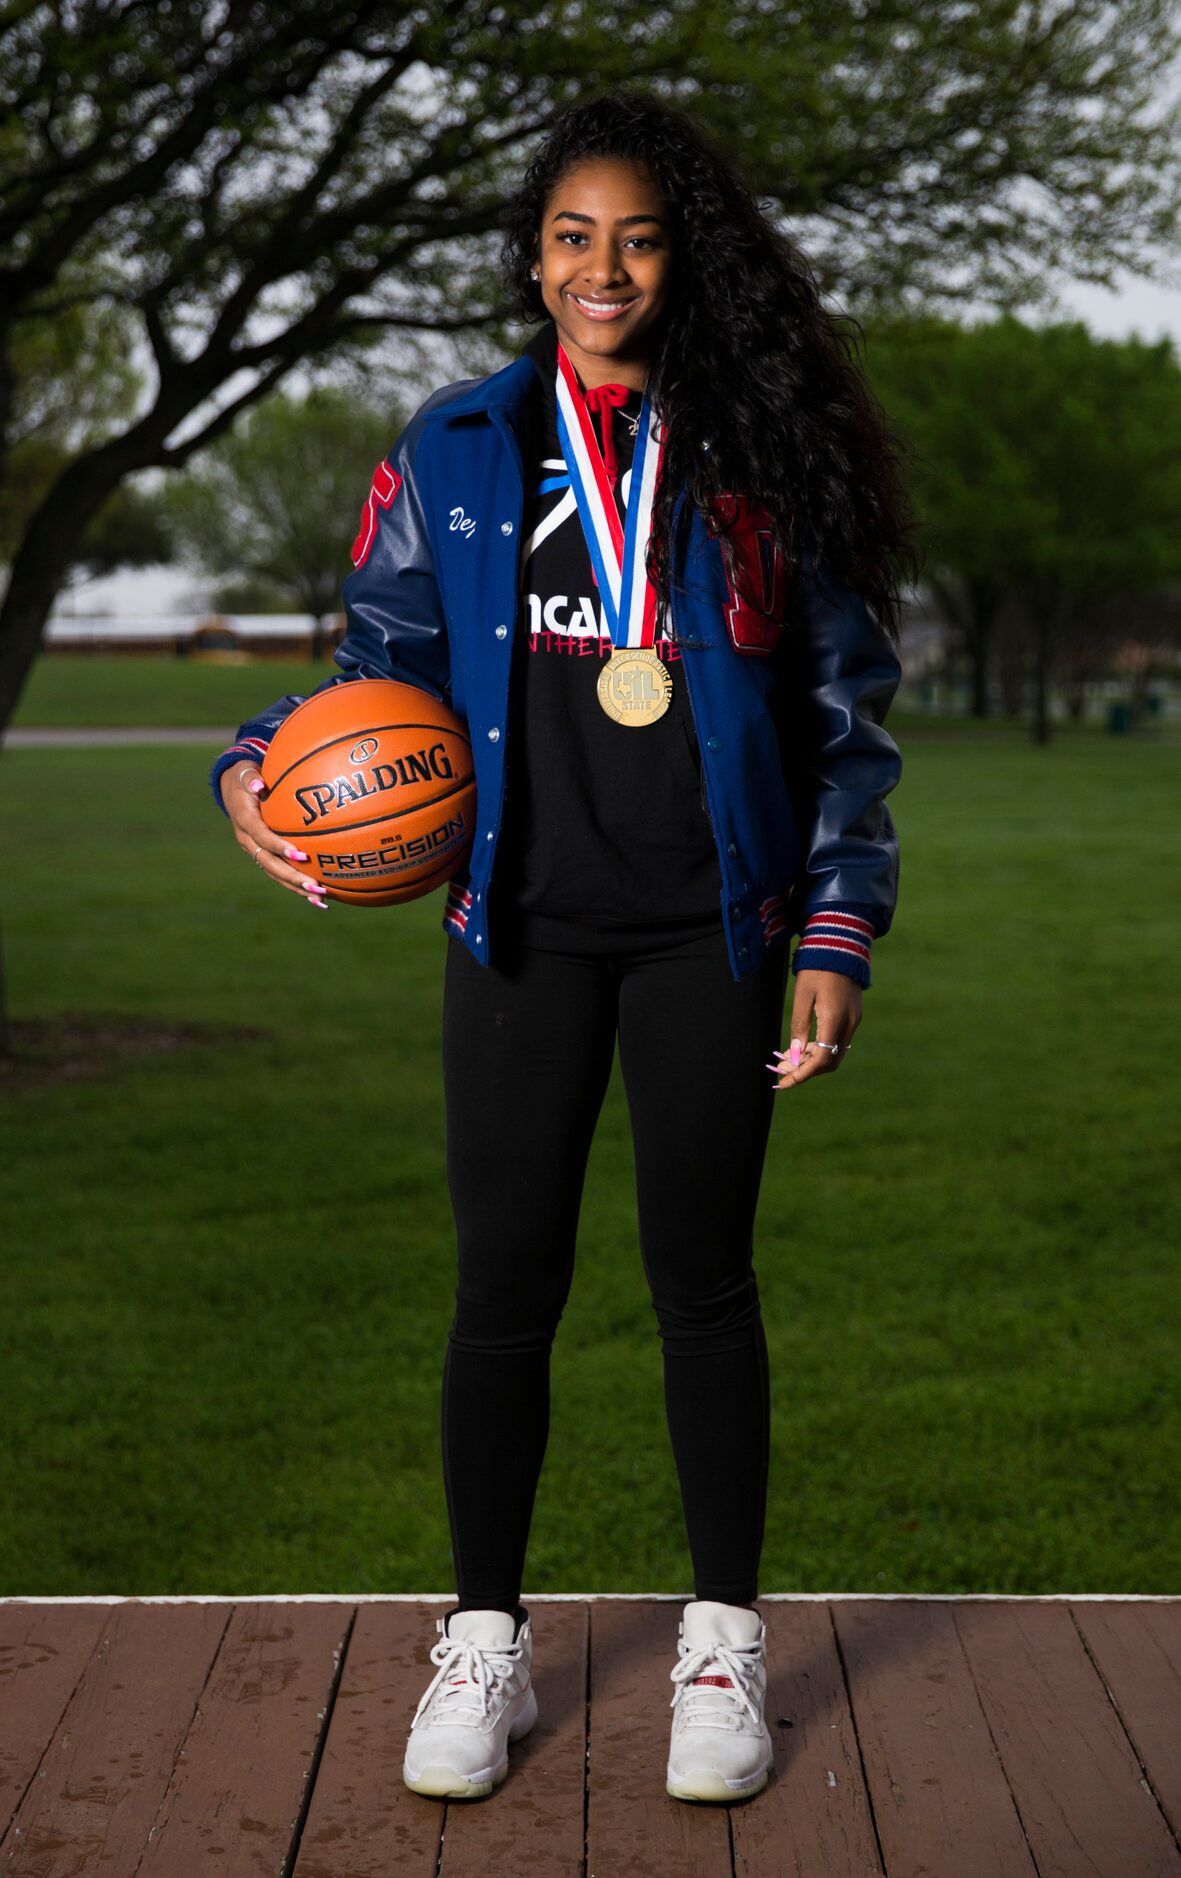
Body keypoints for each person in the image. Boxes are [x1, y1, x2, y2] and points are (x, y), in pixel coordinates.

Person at [211, 93, 916, 1807]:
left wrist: (836, 921)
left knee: (703, 1283)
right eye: (573, 238)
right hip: (516, 924)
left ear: (684, 263)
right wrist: (255, 762)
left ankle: (722, 1643)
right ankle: (482, 1638)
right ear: (532, 257)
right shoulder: (451, 447)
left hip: (712, 926)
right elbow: (371, 653)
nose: (604, 268)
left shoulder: (758, 459)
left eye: (641, 238)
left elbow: (844, 713)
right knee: (503, 1292)